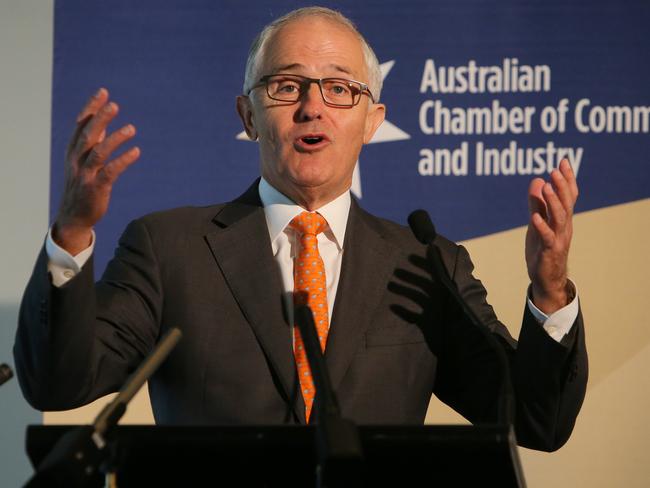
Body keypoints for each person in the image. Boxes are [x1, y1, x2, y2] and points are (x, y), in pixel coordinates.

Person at [14, 7, 586, 451]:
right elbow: (57, 384)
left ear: (371, 121)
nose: (313, 106)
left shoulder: (425, 262)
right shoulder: (170, 251)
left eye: (340, 89)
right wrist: (70, 234)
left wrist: (551, 289)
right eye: (286, 86)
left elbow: (538, 421)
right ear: (248, 116)